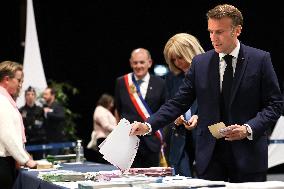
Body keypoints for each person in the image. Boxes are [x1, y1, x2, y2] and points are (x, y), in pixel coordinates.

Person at [130, 4, 283, 183]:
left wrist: (248, 128)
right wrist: (148, 126)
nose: (213, 38)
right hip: (210, 159)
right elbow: (178, 103)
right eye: (210, 32)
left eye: (219, 32)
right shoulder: (200, 63)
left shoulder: (260, 60)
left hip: (248, 156)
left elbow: (275, 105)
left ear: (237, 30)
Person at [115, 48, 166, 168]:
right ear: (130, 63)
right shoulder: (122, 82)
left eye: (142, 62)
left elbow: (164, 111)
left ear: (149, 63)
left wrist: (164, 138)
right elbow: (118, 109)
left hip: (152, 142)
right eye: (135, 62)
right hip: (128, 142)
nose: (138, 66)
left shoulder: (161, 83)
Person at [163, 33, 204, 177]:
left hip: (205, 138)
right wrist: (175, 118)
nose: (178, 63)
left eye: (180, 57)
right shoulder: (171, 78)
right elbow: (168, 106)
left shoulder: (211, 71)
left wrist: (199, 116)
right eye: (173, 60)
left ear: (191, 51)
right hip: (179, 138)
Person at [0, 61, 37, 188]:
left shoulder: (6, 100)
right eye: (19, 80)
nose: (21, 85)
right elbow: (6, 135)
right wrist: (26, 160)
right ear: (6, 79)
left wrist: (23, 154)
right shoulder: (2, 101)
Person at [87, 93, 117, 163]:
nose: (112, 105)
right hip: (103, 139)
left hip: (107, 138)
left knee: (110, 160)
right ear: (106, 102)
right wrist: (119, 130)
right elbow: (106, 125)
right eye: (111, 102)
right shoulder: (100, 110)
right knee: (105, 161)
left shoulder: (104, 110)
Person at [19, 86, 46, 160]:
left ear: (35, 96)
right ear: (25, 97)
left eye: (32, 94)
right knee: (26, 163)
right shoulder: (21, 110)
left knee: (39, 163)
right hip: (26, 142)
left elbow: (41, 124)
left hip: (38, 141)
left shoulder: (40, 110)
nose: (30, 96)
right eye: (28, 94)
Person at [42, 87, 66, 155]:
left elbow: (62, 116)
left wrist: (48, 113)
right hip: (46, 140)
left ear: (52, 95)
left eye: (46, 94)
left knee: (54, 161)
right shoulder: (44, 106)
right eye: (44, 94)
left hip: (56, 140)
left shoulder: (57, 106)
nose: (44, 96)